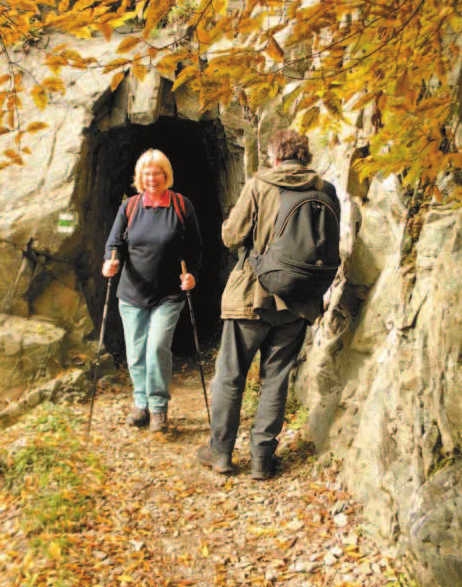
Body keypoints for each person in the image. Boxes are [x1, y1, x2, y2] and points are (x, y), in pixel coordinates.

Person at [197, 129, 340, 478]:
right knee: (275, 380)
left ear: (275, 156)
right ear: (303, 156)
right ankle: (262, 459)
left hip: (253, 295)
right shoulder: (325, 190)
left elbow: (232, 235)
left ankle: (221, 454)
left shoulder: (260, 185)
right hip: (299, 302)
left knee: (231, 377)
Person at [103, 149, 202, 433]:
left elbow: (195, 247)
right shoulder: (130, 207)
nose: (151, 178)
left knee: (157, 347)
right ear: (139, 177)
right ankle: (141, 404)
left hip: (169, 293)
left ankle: (158, 407)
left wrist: (192, 275)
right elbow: (114, 243)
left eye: (156, 173)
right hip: (132, 292)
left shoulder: (182, 206)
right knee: (136, 353)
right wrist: (110, 262)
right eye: (146, 174)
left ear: (166, 175)